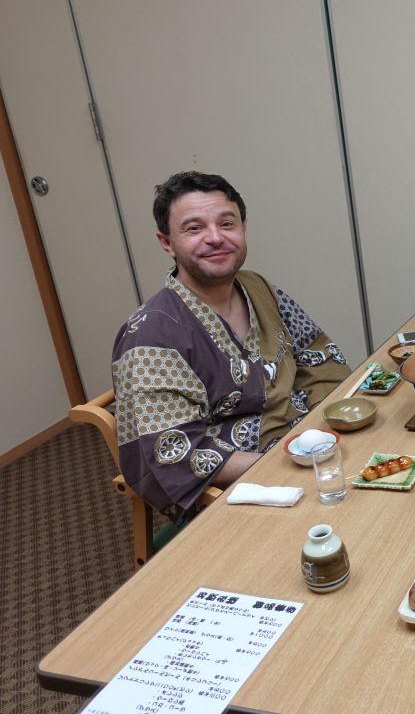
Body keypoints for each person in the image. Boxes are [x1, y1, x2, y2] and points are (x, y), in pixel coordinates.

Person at [111, 171, 351, 521]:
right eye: (194, 229)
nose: (215, 238)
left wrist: (328, 429)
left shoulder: (256, 287)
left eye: (227, 223)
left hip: (305, 441)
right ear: (167, 242)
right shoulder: (152, 336)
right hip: (245, 480)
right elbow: (175, 450)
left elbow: (317, 357)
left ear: (244, 228)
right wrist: (293, 462)